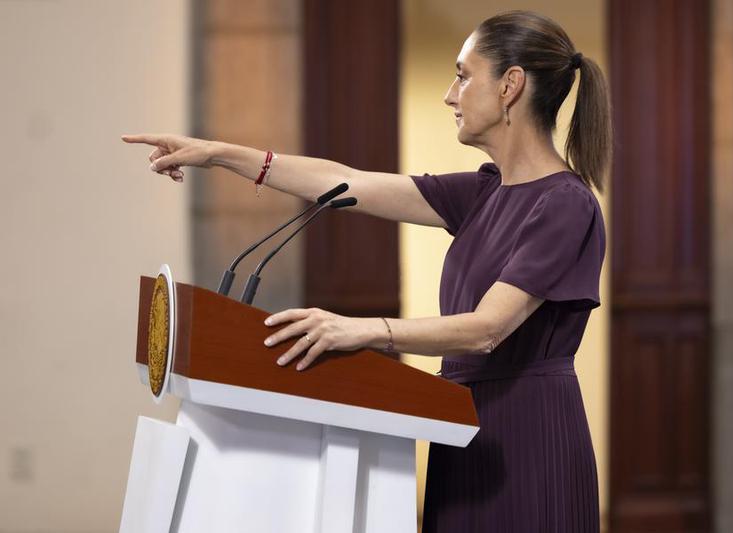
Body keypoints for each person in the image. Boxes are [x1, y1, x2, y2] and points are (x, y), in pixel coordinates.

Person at [122, 9, 610, 532]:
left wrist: (360, 330)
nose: (451, 95)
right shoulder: (484, 192)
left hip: (528, 434)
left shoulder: (565, 204)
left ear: (510, 85)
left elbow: (488, 329)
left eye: (463, 76)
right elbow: (344, 182)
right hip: (467, 428)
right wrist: (219, 154)